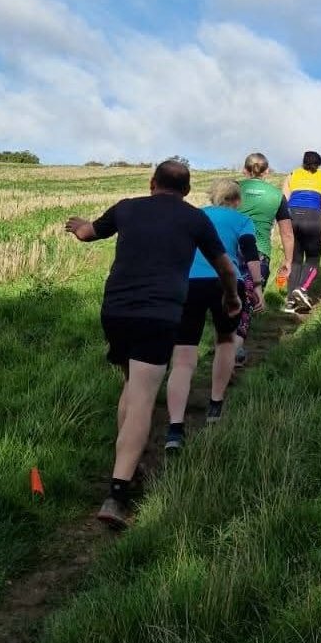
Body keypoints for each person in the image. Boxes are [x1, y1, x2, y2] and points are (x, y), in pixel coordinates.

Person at [65, 159, 240, 530]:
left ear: (151, 183)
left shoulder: (127, 208)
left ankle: (129, 464)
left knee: (131, 384)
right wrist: (231, 298)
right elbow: (225, 267)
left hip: (114, 311)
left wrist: (78, 225)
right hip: (157, 314)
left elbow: (87, 234)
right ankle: (117, 492)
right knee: (144, 395)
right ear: (187, 190)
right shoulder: (195, 219)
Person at [164, 179, 263, 452]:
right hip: (226, 281)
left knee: (183, 356)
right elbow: (251, 254)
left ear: (212, 196)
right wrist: (257, 287)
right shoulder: (242, 221)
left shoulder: (195, 215)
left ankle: (174, 428)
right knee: (226, 341)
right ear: (237, 199)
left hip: (189, 283)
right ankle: (215, 405)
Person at [235, 152, 294, 365]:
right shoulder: (277, 195)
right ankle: (237, 347)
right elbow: (287, 233)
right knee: (248, 301)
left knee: (226, 299)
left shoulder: (233, 189)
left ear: (245, 169)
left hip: (229, 250)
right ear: (267, 171)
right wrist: (288, 261)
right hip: (259, 254)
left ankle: (226, 346)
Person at [281, 151, 321, 313]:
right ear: (319, 163)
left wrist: (281, 226)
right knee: (313, 259)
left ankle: (290, 302)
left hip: (292, 216)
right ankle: (302, 288)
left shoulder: (292, 174)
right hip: (313, 217)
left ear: (303, 162)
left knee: (295, 260)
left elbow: (284, 202)